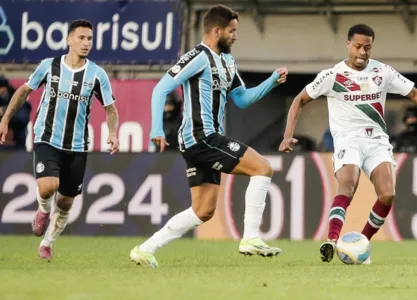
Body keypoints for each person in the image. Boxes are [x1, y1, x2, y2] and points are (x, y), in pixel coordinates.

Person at [278, 24, 417, 264]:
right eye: (357, 46)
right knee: (348, 186)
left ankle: (360, 244)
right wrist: (287, 134)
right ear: (348, 45)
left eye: (367, 47)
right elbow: (299, 100)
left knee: (387, 194)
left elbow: (414, 93)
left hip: (376, 141)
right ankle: (332, 240)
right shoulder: (332, 76)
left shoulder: (383, 72)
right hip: (348, 139)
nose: (362, 52)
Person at [129, 4, 288, 268]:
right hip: (200, 136)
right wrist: (156, 129)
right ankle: (250, 237)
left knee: (203, 211)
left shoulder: (227, 61)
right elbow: (161, 88)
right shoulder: (197, 57)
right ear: (217, 31)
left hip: (204, 140)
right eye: (232, 31)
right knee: (263, 168)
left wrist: (270, 81)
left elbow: (242, 99)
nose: (236, 36)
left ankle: (146, 249)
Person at [0, 19, 120, 261]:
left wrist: (113, 133)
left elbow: (110, 109)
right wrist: (5, 120)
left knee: (65, 202)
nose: (86, 43)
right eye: (81, 38)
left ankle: (47, 243)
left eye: (90, 39)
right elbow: (24, 91)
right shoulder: (49, 66)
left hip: (77, 145)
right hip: (47, 138)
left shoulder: (97, 74)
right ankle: (43, 210)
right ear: (69, 40)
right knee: (48, 186)